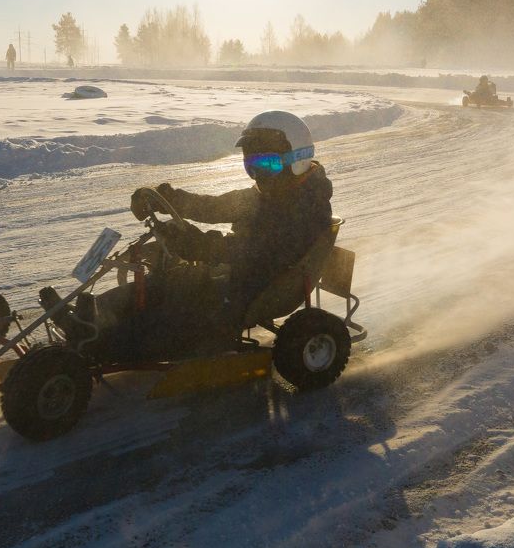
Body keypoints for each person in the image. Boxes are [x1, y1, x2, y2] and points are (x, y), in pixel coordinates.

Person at [41, 110, 334, 361]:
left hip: (257, 287)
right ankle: (91, 315)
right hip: (235, 277)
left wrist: (197, 245)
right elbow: (216, 206)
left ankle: (97, 343)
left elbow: (257, 252)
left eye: (267, 164)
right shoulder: (273, 194)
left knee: (177, 309)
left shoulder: (306, 209)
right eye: (251, 165)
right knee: (165, 282)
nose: (258, 175)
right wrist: (170, 199)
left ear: (297, 158)